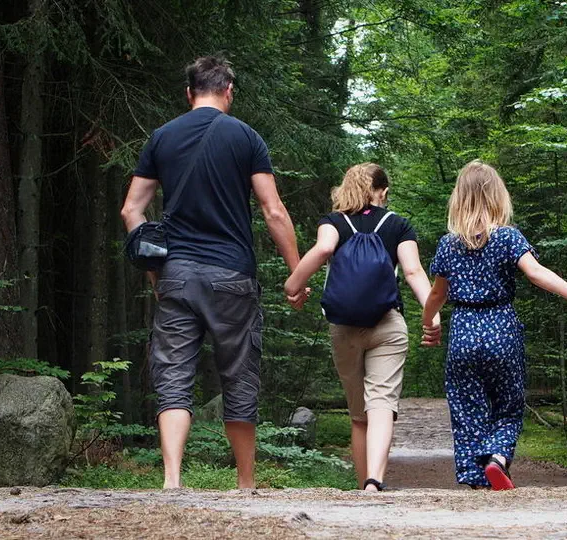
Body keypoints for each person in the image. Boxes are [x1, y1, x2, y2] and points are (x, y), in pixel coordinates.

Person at [120, 56, 303, 489]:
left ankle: (171, 480)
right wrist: (296, 273)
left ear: (189, 93)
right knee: (239, 375)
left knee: (174, 376)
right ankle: (244, 484)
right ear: (228, 91)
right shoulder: (246, 138)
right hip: (232, 275)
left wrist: (154, 268)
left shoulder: (162, 138)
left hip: (177, 274)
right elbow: (273, 211)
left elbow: (132, 209)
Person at [421, 160, 567, 490]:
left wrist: (429, 323)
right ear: (497, 197)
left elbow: (436, 294)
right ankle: (498, 459)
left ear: (458, 199)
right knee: (508, 404)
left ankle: (477, 478)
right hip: (501, 327)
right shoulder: (507, 238)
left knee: (467, 407)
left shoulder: (449, 244)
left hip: (462, 330)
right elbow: (536, 273)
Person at [284, 163, 440, 492]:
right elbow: (413, 272)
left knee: (358, 414)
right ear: (381, 191)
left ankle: (361, 487)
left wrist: (293, 283)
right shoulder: (398, 224)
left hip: (344, 327)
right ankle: (374, 482)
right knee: (382, 402)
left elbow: (324, 249)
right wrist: (432, 315)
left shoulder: (334, 222)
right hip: (387, 323)